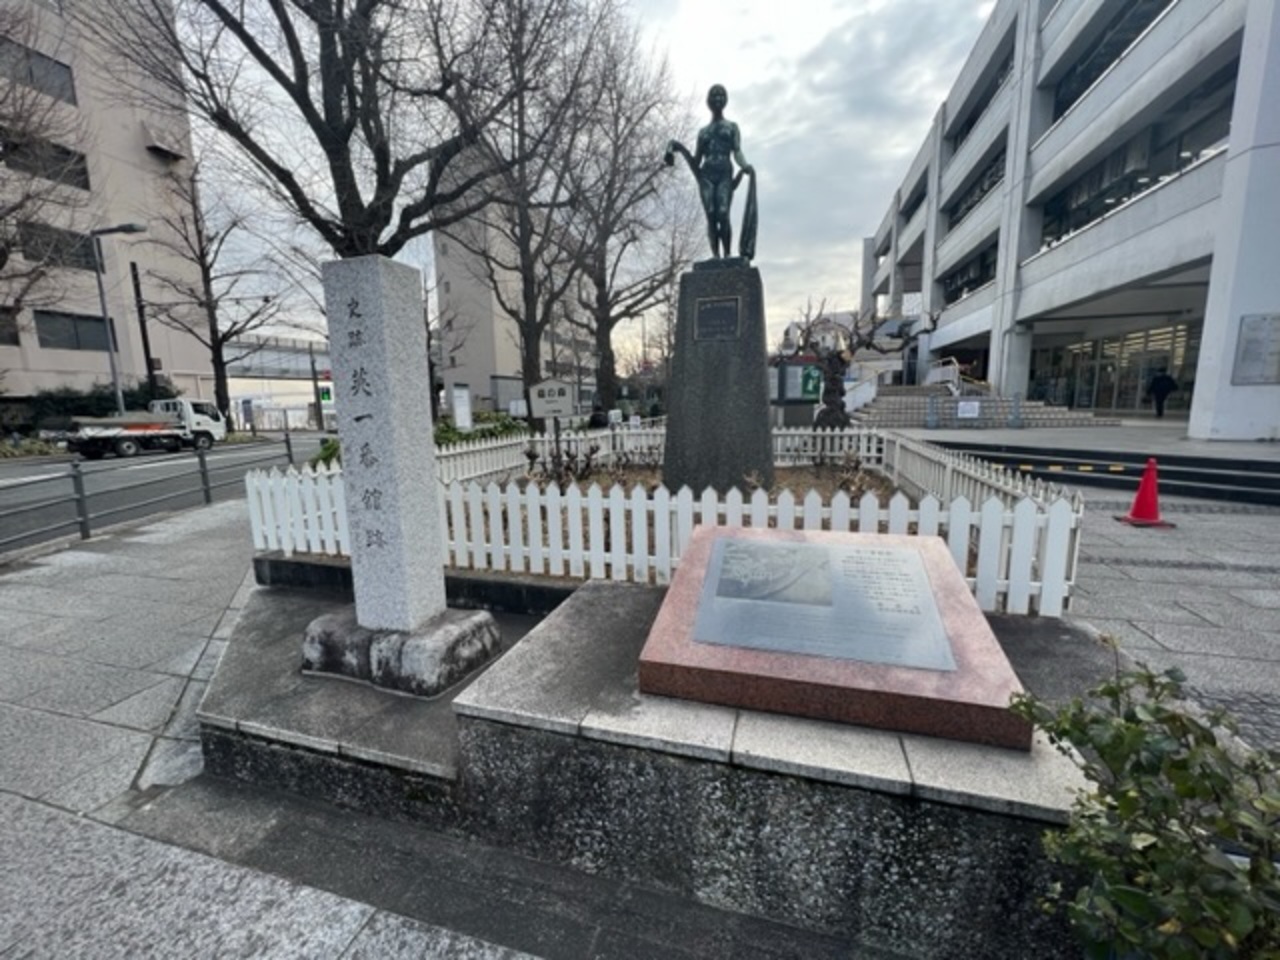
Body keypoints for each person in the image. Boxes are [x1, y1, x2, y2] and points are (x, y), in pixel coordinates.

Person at [665, 84, 757, 260]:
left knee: (723, 212)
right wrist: (676, 147)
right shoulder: (703, 132)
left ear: (725, 100)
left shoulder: (732, 127)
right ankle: (716, 255)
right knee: (711, 213)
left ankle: (727, 254)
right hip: (707, 175)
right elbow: (696, 160)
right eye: (714, 95)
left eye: (721, 95)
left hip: (724, 173)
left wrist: (745, 165)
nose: (718, 98)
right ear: (709, 101)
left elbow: (737, 151)